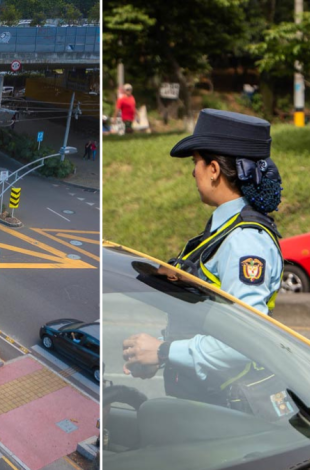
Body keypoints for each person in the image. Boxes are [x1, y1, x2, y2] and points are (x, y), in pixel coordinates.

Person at [121, 109, 285, 400]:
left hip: (225, 404)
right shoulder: (224, 232)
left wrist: (163, 351)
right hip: (206, 396)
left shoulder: (245, 242)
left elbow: (245, 341)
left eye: (196, 161)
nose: (192, 171)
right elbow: (208, 320)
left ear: (214, 170)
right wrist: (161, 354)